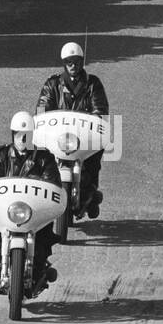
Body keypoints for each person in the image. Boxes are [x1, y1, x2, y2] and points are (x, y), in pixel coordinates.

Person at [0, 112, 60, 288]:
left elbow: (52, 184)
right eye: (18, 134)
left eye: (27, 135)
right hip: (6, 210)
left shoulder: (45, 158)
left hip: (32, 212)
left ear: (33, 135)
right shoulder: (0, 156)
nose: (22, 138)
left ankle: (41, 262)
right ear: (12, 134)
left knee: (45, 227)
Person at [35, 43, 108, 219]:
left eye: (76, 61)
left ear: (82, 62)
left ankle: (90, 190)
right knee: (40, 159)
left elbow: (100, 109)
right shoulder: (52, 84)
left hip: (82, 138)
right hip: (58, 138)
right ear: (64, 63)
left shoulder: (93, 84)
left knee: (94, 158)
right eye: (69, 62)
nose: (72, 65)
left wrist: (97, 116)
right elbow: (42, 109)